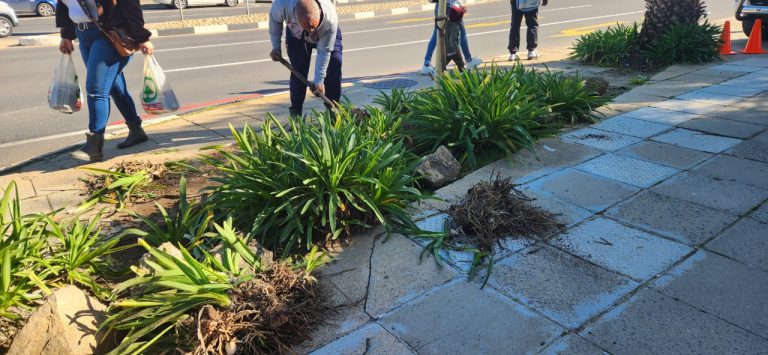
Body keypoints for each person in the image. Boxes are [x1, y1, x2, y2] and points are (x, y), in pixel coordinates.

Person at [56, 0, 154, 162]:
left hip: (108, 34)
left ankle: (94, 146)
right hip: (83, 34)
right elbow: (66, 5)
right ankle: (136, 130)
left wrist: (142, 37)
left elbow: (129, 4)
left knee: (96, 89)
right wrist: (66, 35)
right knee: (114, 85)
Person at [269, 0, 341, 117]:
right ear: (295, 16)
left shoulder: (330, 19)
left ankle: (332, 112)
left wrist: (319, 80)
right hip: (296, 34)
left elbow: (324, 51)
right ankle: (296, 115)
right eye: (308, 29)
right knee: (298, 70)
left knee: (334, 66)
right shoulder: (282, 5)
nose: (311, 33)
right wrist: (276, 46)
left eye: (313, 28)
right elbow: (274, 20)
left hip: (325, 31)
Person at [420, 0, 481, 75]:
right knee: (461, 34)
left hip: (439, 8)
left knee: (436, 36)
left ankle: (426, 64)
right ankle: (468, 61)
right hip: (451, 8)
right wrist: (460, 4)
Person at [444, 4, 465, 72]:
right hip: (454, 51)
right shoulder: (455, 27)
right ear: (458, 19)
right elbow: (453, 40)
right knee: (460, 63)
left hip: (446, 50)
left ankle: (438, 72)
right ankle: (463, 74)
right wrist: (456, 50)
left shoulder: (447, 24)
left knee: (443, 64)